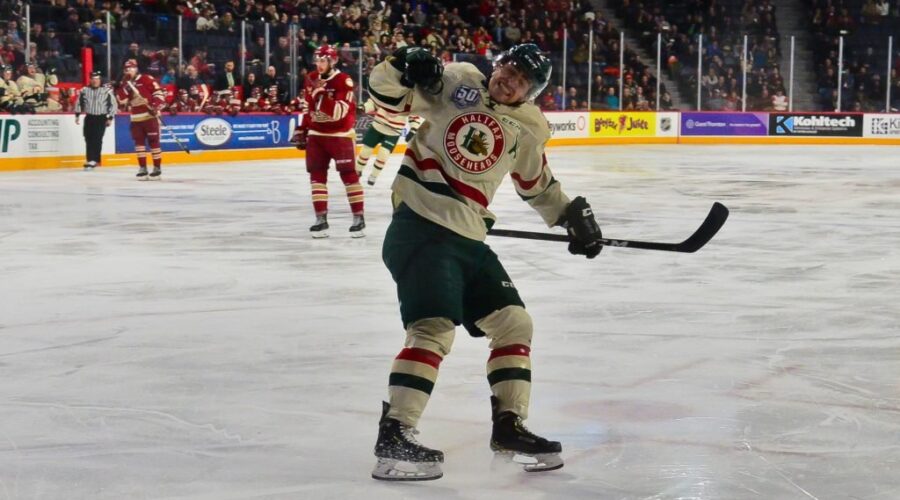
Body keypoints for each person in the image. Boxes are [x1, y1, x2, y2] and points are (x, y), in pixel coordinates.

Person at [367, 44, 603, 481]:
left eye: (521, 79)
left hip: (468, 237)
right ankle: (394, 434)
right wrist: (400, 65)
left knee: (515, 324)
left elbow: (537, 184)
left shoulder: (529, 125)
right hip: (422, 226)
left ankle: (509, 427)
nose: (508, 79)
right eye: (508, 69)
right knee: (432, 328)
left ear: (532, 92)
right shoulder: (458, 79)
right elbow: (388, 99)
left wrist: (569, 217)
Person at [290, 44, 364, 238]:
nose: (319, 64)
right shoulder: (312, 78)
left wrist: (320, 93)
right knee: (316, 176)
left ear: (333, 61)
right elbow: (308, 108)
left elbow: (338, 113)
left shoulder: (344, 81)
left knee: (349, 176)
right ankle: (321, 219)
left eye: (323, 60)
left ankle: (358, 217)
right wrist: (302, 128)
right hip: (316, 135)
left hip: (340, 136)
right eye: (317, 60)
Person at [115, 59, 167, 180]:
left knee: (154, 142)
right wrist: (125, 88)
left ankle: (157, 167)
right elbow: (121, 100)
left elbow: (158, 94)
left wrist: (155, 106)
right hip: (136, 118)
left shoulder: (146, 78)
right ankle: (142, 168)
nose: (129, 70)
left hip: (150, 116)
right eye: (127, 69)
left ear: (136, 68)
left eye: (131, 68)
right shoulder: (125, 83)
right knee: (139, 144)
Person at [355, 97, 423, 186]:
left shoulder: (410, 98)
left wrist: (414, 128)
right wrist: (364, 107)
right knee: (365, 151)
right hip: (377, 125)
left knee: (384, 154)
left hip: (394, 132)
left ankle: (374, 176)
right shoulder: (388, 91)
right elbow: (375, 102)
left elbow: (414, 115)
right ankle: (357, 170)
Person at [74, 71, 117, 170]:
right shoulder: (84, 90)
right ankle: (90, 159)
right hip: (89, 117)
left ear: (100, 80)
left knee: (97, 139)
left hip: (101, 117)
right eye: (93, 79)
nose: (95, 81)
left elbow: (113, 104)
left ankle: (95, 160)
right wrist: (77, 115)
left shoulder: (106, 91)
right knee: (88, 138)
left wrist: (110, 117)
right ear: (90, 79)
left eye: (97, 79)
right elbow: (79, 102)